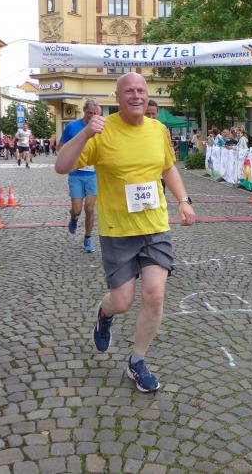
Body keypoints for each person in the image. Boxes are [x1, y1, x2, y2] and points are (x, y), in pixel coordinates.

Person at [54, 72, 196, 393]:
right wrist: (85, 133)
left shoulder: (158, 130)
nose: (136, 95)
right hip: (118, 231)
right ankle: (104, 315)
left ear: (147, 95)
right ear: (117, 98)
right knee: (122, 302)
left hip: (155, 226)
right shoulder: (101, 131)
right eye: (129, 91)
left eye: (141, 90)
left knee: (155, 294)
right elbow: (62, 166)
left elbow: (167, 167)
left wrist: (184, 201)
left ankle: (137, 360)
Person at [60, 100, 101, 253]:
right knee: (77, 209)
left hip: (93, 174)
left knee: (89, 208)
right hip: (76, 173)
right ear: (84, 111)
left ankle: (88, 237)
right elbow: (61, 147)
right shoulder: (72, 127)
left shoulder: (101, 128)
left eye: (95, 114)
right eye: (90, 113)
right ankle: (74, 218)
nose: (92, 116)